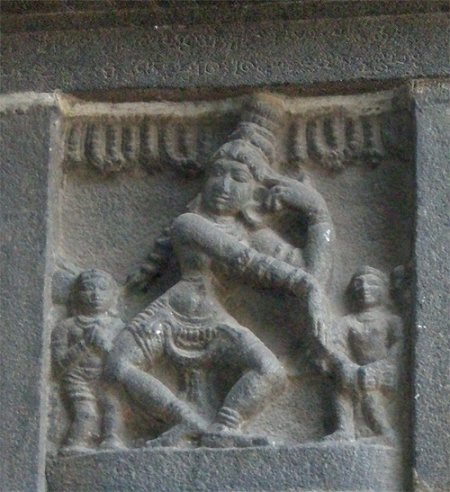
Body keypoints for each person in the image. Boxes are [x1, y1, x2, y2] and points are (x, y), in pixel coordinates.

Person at [106, 94, 334, 448]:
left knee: (270, 373)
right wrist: (307, 288)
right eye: (217, 174)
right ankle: (185, 421)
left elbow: (311, 273)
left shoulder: (256, 237)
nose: (224, 186)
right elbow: (244, 261)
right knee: (117, 366)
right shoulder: (189, 224)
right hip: (171, 313)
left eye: (238, 178)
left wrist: (317, 214)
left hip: (214, 319)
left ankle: (225, 426)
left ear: (255, 191)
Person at [324, 266, 403, 445]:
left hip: (384, 371)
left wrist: (379, 367)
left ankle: (384, 432)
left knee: (370, 391)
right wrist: (345, 365)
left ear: (384, 290)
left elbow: (400, 346)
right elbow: (334, 347)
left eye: (372, 283)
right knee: (341, 384)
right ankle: (344, 429)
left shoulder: (391, 320)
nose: (364, 288)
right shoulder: (347, 322)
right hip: (356, 370)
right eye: (358, 284)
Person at [52, 269, 125, 455]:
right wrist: (85, 344)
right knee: (86, 412)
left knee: (112, 406)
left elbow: (124, 357)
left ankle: (111, 438)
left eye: (102, 289)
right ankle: (74, 443)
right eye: (87, 289)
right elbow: (58, 365)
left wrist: (105, 346)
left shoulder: (117, 326)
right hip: (76, 377)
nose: (95, 295)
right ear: (75, 294)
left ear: (113, 295)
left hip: (105, 376)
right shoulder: (66, 326)